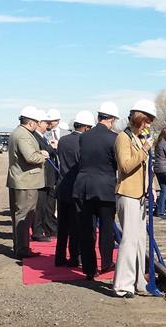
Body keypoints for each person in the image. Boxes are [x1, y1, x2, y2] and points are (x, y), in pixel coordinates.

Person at [113, 99, 156, 298]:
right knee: (129, 240)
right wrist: (145, 150)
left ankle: (138, 282)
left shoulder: (137, 138)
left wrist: (151, 187)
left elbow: (145, 167)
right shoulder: (124, 138)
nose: (148, 126)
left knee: (139, 241)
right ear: (138, 119)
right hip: (128, 193)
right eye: (147, 121)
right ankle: (122, 284)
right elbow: (125, 166)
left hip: (139, 195)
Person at [72, 102, 119, 280]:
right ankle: (106, 262)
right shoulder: (114, 138)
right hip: (105, 188)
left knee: (86, 230)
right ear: (112, 119)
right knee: (106, 229)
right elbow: (116, 164)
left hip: (83, 187)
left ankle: (89, 269)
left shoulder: (84, 137)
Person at [6, 106, 49, 259]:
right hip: (26, 181)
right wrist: (43, 155)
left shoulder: (18, 133)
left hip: (21, 179)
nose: (38, 125)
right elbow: (30, 157)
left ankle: (19, 245)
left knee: (20, 215)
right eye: (36, 122)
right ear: (31, 122)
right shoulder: (23, 135)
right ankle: (22, 248)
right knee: (24, 216)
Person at [55, 111, 94, 267]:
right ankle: (74, 257)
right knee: (76, 227)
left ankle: (59, 257)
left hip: (62, 186)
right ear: (85, 127)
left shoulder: (63, 141)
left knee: (62, 227)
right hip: (76, 189)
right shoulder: (84, 142)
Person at [31, 110, 58, 242]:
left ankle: (49, 228)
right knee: (40, 206)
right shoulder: (34, 137)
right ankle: (37, 231)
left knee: (48, 205)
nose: (47, 125)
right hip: (41, 176)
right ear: (38, 123)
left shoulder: (43, 136)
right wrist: (51, 149)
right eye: (45, 122)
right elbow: (38, 154)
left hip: (48, 176)